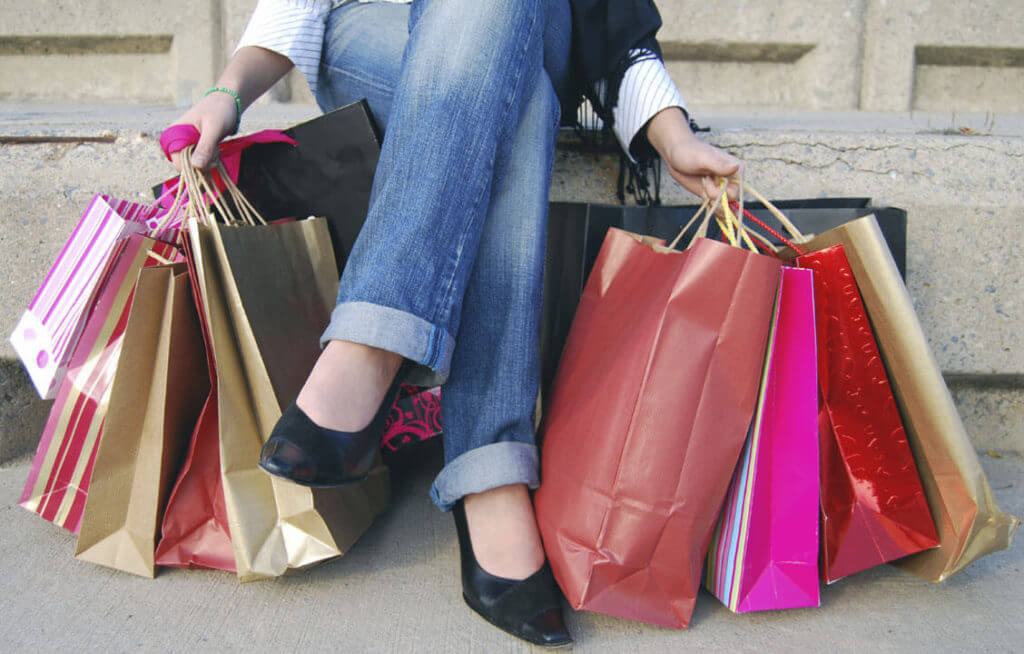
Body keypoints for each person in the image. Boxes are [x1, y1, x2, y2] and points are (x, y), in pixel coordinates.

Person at [169, 0, 741, 646]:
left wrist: (671, 135)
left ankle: (374, 339)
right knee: (520, 105)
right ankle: (489, 471)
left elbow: (612, 15)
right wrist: (229, 91)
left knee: (507, 55)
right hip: (374, 28)